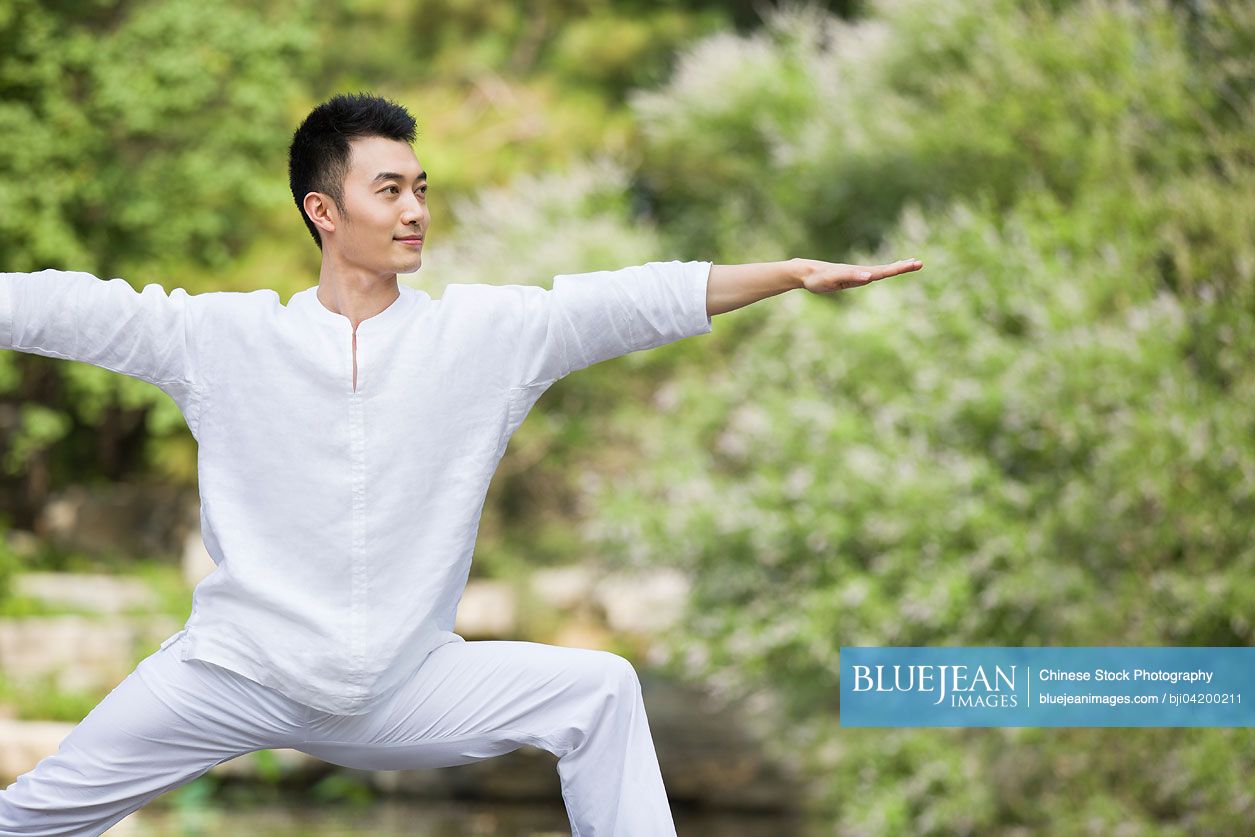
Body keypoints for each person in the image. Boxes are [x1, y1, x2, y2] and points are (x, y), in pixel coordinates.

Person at [0, 91, 922, 836]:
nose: (415, 211)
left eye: (421, 188)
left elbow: (628, 300)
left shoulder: (485, 335)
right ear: (324, 210)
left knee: (599, 689)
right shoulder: (221, 337)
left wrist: (785, 273)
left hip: (402, 690)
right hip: (234, 676)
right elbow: (71, 308)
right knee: (28, 819)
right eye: (389, 190)